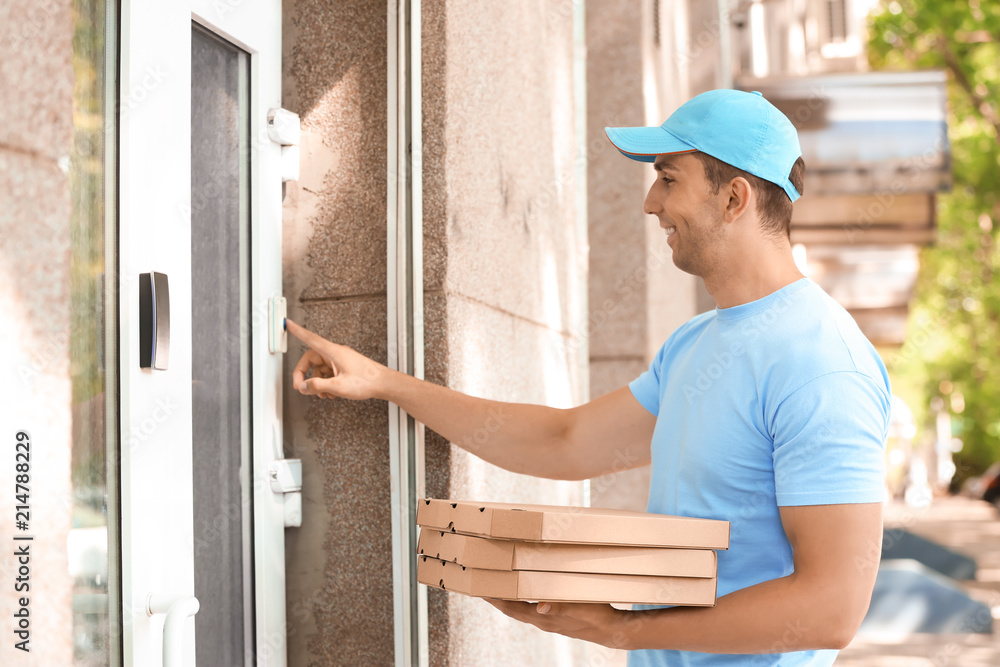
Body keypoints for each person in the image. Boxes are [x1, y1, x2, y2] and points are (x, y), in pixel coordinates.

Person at [285, 88, 890, 666]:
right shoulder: (695, 344)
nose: (651, 203)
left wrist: (625, 629)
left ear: (734, 199)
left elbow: (832, 606)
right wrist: (385, 382)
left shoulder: (822, 364)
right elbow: (565, 443)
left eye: (668, 178)